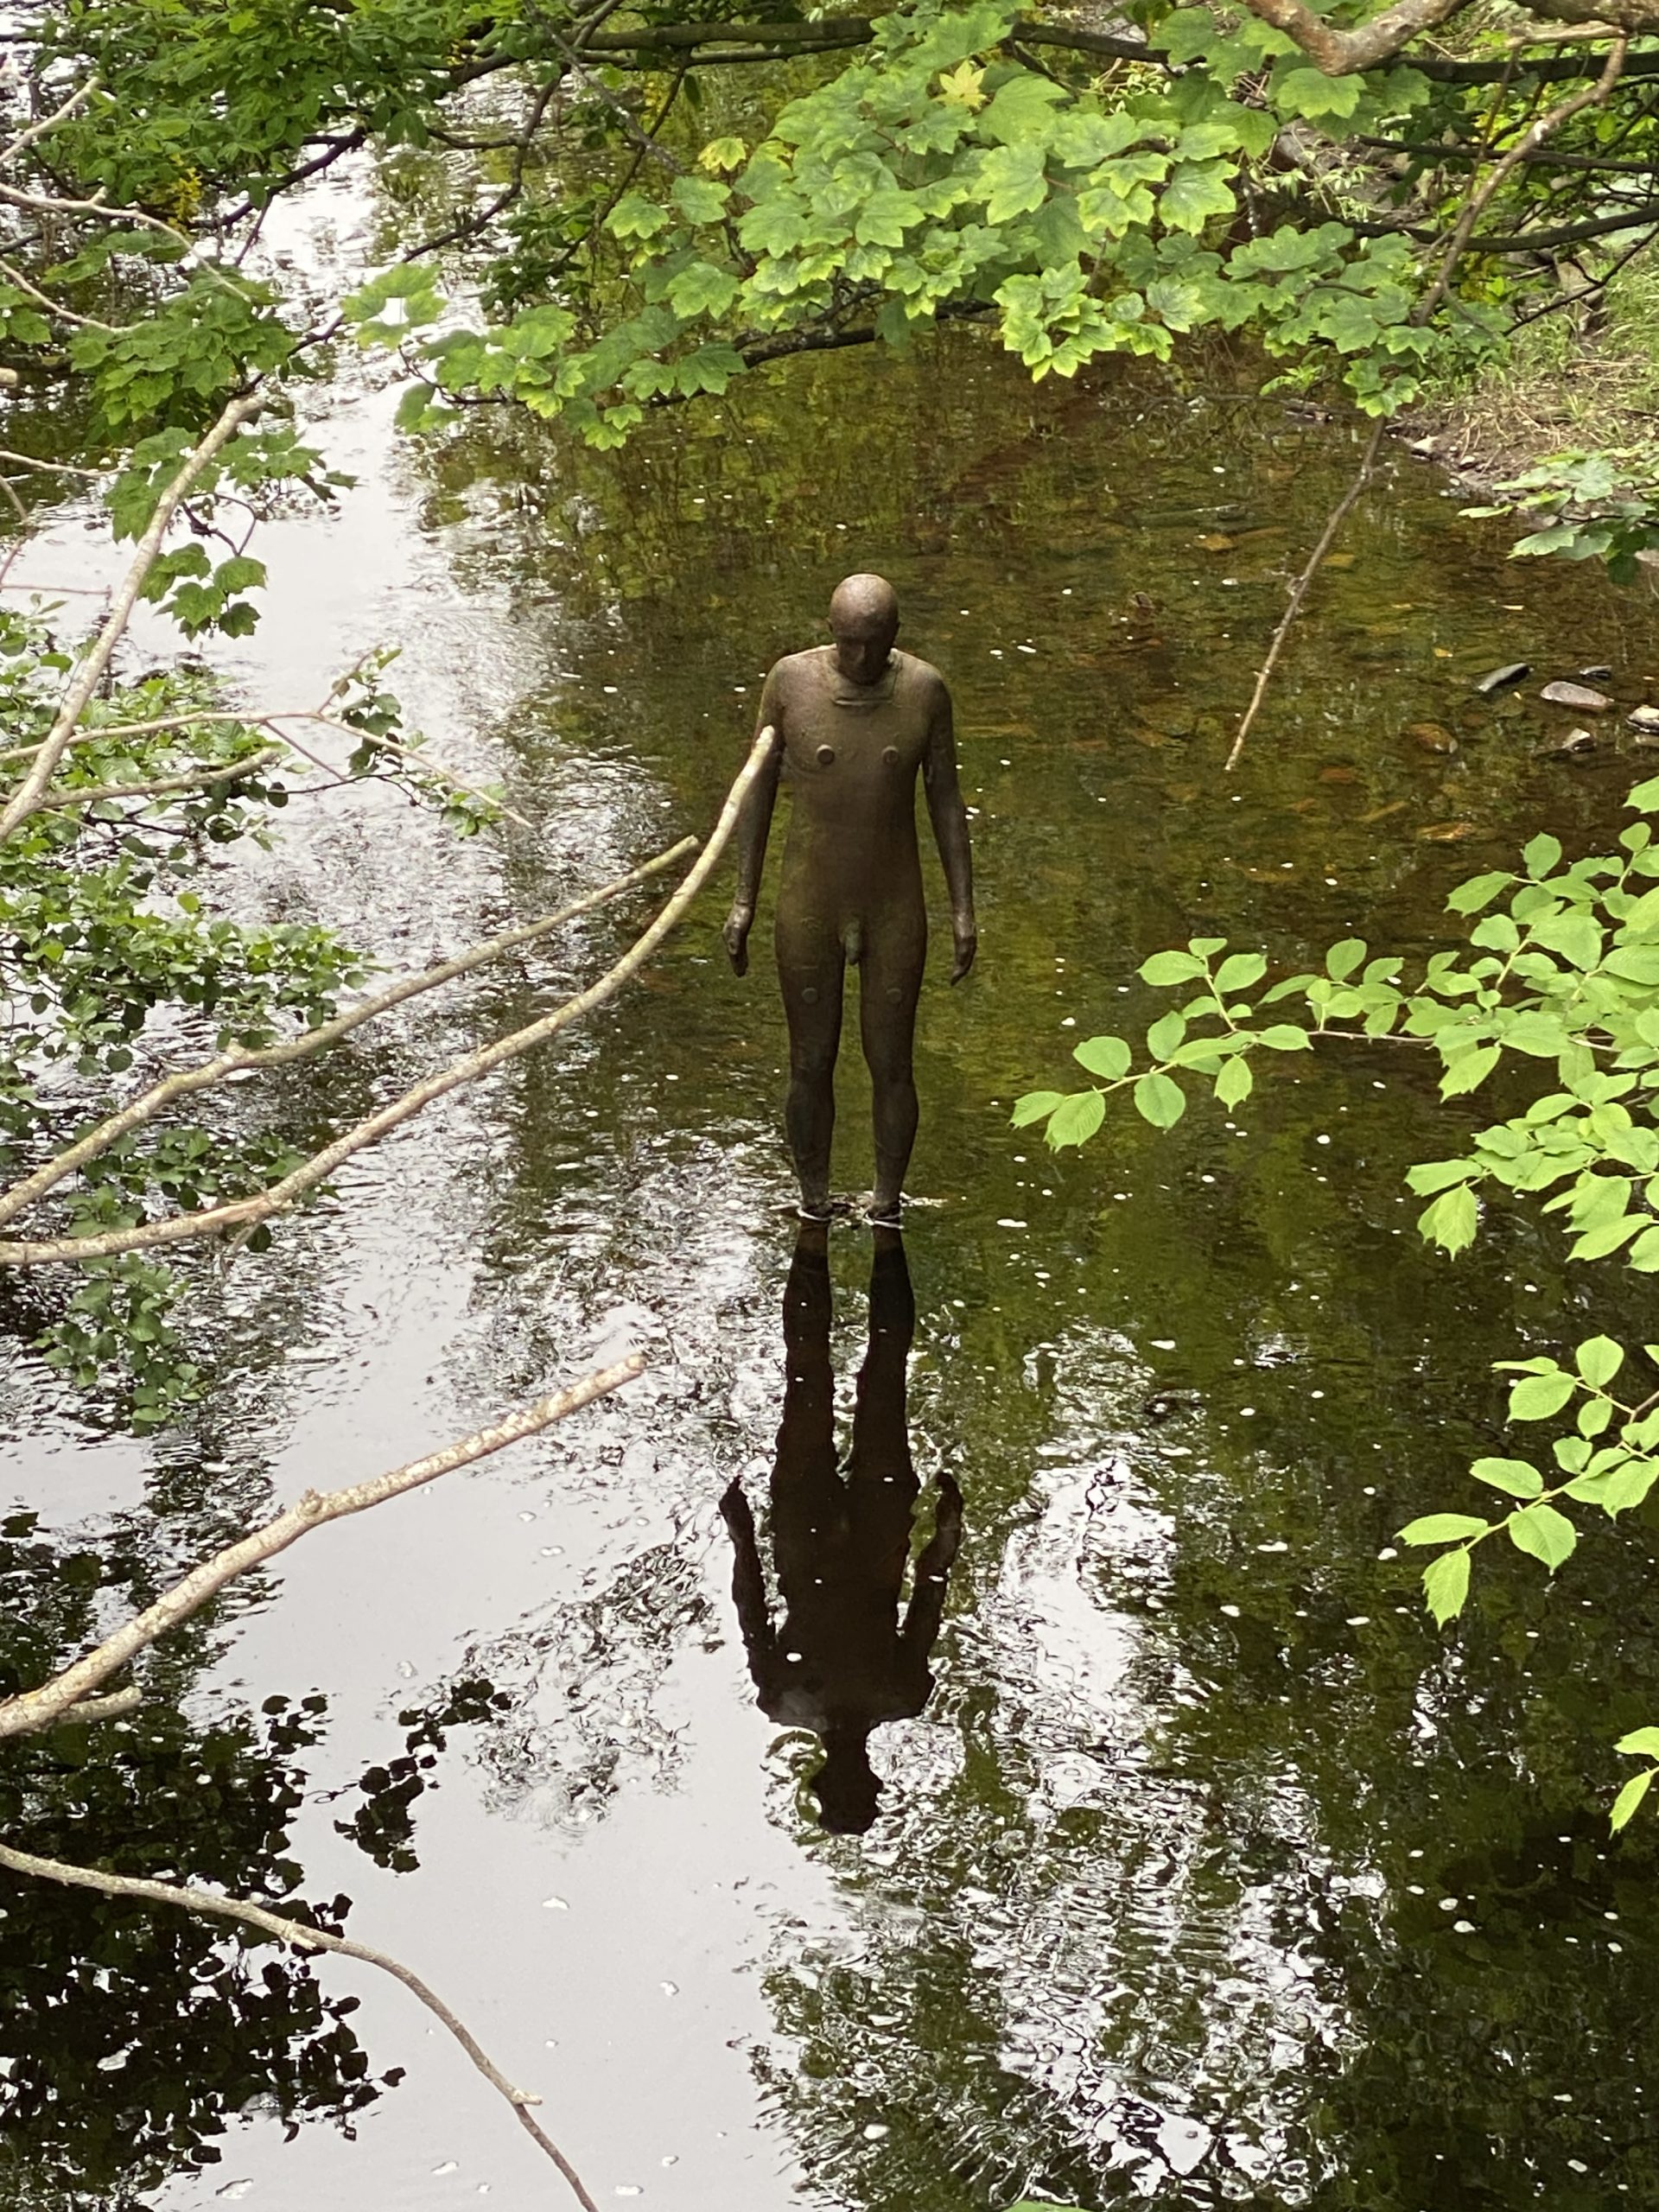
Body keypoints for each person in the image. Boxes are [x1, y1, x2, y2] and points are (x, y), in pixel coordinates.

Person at [723, 574, 976, 1224]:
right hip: (811, 901)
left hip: (894, 904)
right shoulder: (790, 683)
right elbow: (753, 793)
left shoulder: (924, 691)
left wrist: (963, 908)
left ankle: (887, 1202)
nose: (860, 660)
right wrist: (743, 899)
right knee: (809, 1061)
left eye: (874, 644)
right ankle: (813, 1200)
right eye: (848, 644)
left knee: (892, 1061)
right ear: (831, 632)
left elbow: (945, 800)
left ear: (895, 637)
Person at [720, 1218, 963, 1834]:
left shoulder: (782, 1698)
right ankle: (885, 1238)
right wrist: (947, 1532)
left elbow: (753, 1612)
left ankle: (814, 1236)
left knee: (807, 1377)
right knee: (886, 1378)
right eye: (865, 1786)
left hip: (801, 1535)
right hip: (880, 1532)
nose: (859, 1776)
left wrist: (742, 1535)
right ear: (875, 1779)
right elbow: (928, 1600)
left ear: (824, 1777)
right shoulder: (902, 1695)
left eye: (847, 1786)